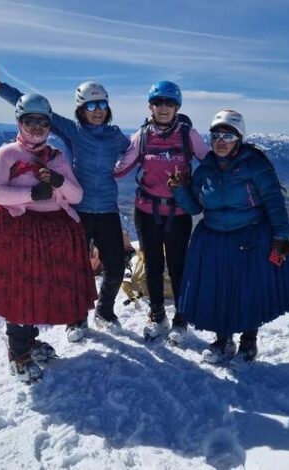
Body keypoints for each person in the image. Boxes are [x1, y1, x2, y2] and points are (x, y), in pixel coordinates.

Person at [0, 66, 131, 339]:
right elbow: (35, 110)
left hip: (107, 207)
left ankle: (105, 312)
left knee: (116, 264)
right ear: (81, 109)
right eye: (90, 105)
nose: (97, 110)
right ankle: (77, 317)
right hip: (77, 209)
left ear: (108, 108)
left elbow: (135, 153)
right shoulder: (73, 131)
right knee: (76, 267)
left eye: (102, 105)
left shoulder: (116, 136)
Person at [0, 94, 97, 383]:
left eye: (42, 122)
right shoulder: (7, 154)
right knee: (20, 292)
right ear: (19, 123)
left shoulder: (56, 158)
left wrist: (59, 182)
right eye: (30, 121)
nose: (36, 128)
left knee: (39, 292)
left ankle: (29, 342)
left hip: (47, 233)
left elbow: (76, 195)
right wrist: (32, 194)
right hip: (18, 233)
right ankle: (18, 352)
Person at [169, 109, 289, 362]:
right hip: (214, 238)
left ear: (239, 138)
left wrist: (281, 236)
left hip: (250, 237)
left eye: (227, 137)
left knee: (247, 290)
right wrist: (179, 190)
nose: (220, 141)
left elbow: (274, 200)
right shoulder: (205, 169)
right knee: (220, 290)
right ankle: (223, 340)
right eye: (216, 136)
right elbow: (195, 207)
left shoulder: (255, 164)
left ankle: (248, 341)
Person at [114, 81, 209, 341]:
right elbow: (121, 168)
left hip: (178, 213)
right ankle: (157, 315)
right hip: (146, 210)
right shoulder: (142, 135)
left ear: (177, 106)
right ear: (150, 106)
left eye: (169, 103)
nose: (163, 108)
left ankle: (181, 317)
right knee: (153, 264)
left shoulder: (188, 134)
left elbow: (211, 162)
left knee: (179, 267)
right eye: (158, 103)